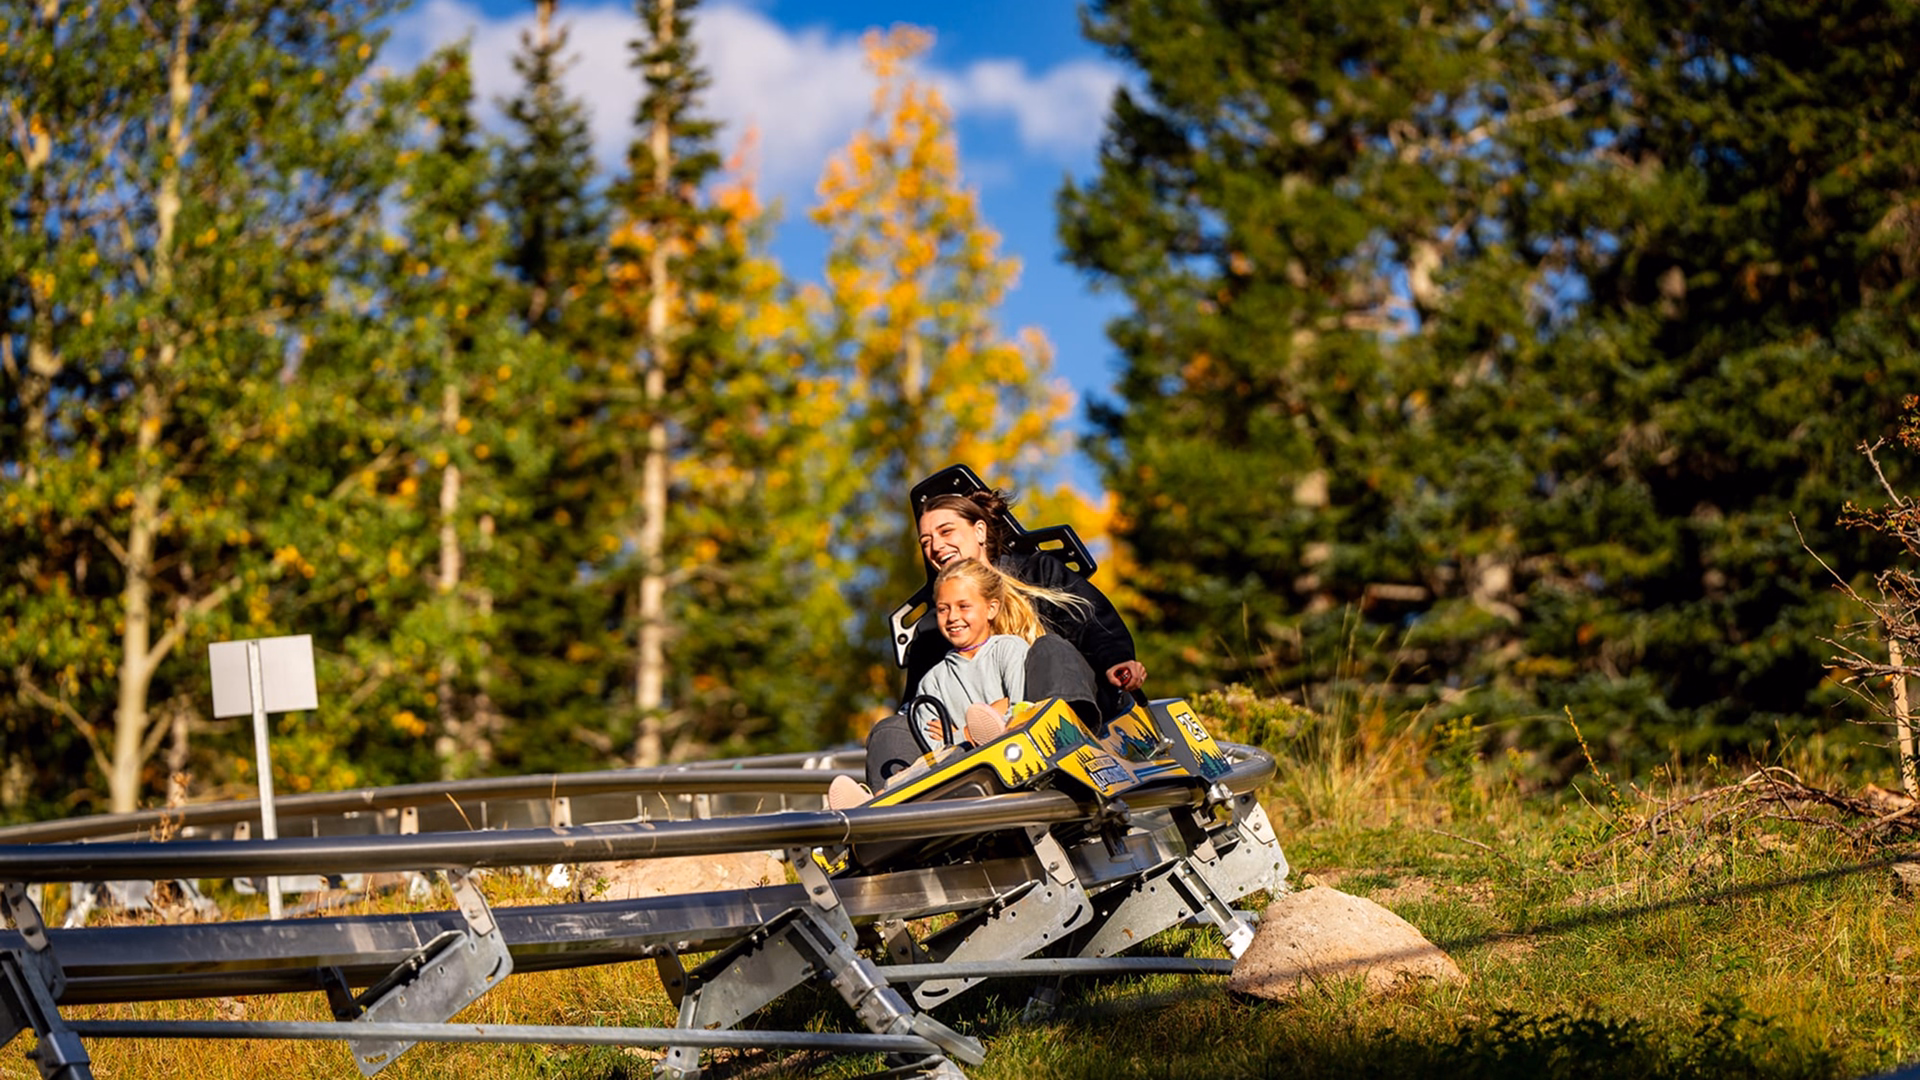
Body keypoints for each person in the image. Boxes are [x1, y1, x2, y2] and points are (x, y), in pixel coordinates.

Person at [842, 557, 1072, 802]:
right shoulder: (932, 681)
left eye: (964, 606)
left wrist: (961, 732)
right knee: (923, 768)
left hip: (1016, 762)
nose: (952, 617)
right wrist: (970, 732)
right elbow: (934, 746)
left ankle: (880, 801)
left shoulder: (1009, 650)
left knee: (1005, 733)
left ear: (991, 609)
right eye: (943, 609)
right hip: (962, 771)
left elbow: (1022, 709)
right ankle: (876, 802)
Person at [906, 487, 1145, 720]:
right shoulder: (932, 628)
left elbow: (1092, 623)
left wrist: (1116, 659)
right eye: (926, 541)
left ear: (980, 531)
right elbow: (919, 702)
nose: (935, 547)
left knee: (1050, 647)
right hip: (981, 736)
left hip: (1070, 705)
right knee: (892, 727)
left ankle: (1059, 737)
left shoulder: (1038, 573)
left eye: (946, 532)